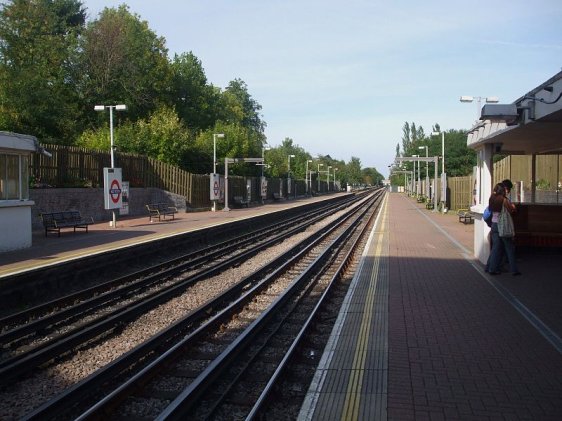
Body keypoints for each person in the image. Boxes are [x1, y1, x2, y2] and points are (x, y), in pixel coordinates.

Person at [487, 182, 521, 276]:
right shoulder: (504, 200)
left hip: (494, 225)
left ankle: (491, 269)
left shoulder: (492, 198)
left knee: (495, 248)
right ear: (502, 190)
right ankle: (514, 270)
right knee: (509, 248)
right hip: (502, 226)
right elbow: (510, 210)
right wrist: (513, 207)